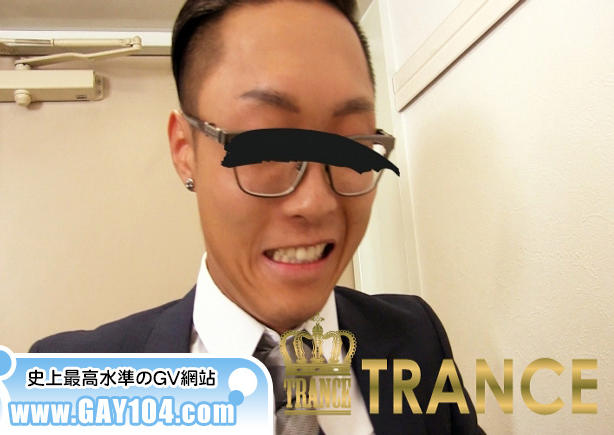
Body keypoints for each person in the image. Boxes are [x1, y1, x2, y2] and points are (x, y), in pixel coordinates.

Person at [31, 0, 485, 433]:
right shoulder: (68, 384)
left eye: (351, 145)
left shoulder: (416, 340)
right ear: (185, 150)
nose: (317, 202)